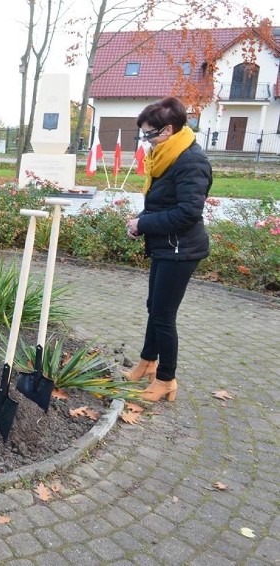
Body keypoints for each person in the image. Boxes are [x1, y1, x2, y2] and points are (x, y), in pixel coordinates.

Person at [123, 96, 212, 402]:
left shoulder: (191, 161)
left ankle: (166, 379)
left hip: (182, 250)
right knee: (154, 307)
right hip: (166, 247)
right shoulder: (168, 155)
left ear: (168, 130)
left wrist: (143, 224)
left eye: (149, 134)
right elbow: (165, 203)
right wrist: (141, 222)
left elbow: (188, 212)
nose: (146, 141)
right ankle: (148, 362)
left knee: (164, 314)